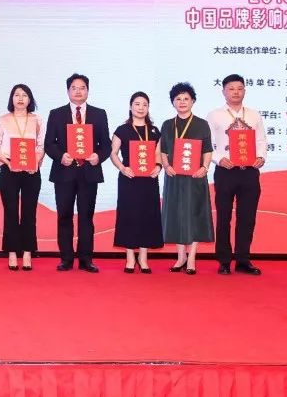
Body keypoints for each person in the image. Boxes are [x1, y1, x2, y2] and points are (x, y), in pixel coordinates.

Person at [44, 73, 111, 273]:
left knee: (86, 217)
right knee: (64, 215)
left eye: (82, 88)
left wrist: (98, 156)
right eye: (74, 88)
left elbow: (106, 145)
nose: (78, 91)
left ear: (88, 90)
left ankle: (86, 259)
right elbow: (49, 143)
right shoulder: (56, 114)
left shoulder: (99, 114)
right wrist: (60, 156)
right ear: (68, 91)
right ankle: (66, 258)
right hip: (64, 172)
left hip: (89, 172)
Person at [207, 74, 266, 276]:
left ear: (245, 91)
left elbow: (261, 140)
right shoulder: (214, 115)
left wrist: (261, 157)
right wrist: (218, 159)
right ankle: (224, 261)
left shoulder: (254, 115)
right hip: (226, 171)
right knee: (223, 217)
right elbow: (208, 144)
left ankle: (243, 260)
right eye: (231, 89)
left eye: (240, 88)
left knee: (247, 218)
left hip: (249, 172)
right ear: (223, 91)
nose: (236, 92)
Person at [160, 82, 214, 275]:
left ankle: (191, 258)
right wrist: (166, 166)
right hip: (174, 177)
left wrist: (204, 168)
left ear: (193, 101)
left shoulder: (202, 124)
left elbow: (207, 149)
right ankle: (181, 257)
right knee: (176, 215)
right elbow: (163, 150)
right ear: (173, 102)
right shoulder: (167, 125)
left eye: (186, 99)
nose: (182, 102)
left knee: (195, 214)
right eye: (178, 99)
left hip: (195, 177)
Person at [0, 84, 44, 271]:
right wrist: (7, 162)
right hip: (9, 169)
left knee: (29, 213)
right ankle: (12, 252)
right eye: (16, 95)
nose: (20, 98)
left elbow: (41, 146)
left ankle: (27, 252)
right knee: (11, 212)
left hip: (31, 171)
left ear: (30, 99)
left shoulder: (37, 120)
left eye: (24, 95)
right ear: (11, 99)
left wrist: (35, 163)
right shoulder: (3, 119)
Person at [110, 91, 163, 273]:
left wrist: (158, 166)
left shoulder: (154, 131)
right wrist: (123, 168)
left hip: (149, 180)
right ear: (130, 106)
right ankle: (130, 257)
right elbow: (113, 153)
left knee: (148, 216)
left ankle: (143, 257)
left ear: (148, 108)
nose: (141, 108)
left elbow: (158, 153)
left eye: (144, 105)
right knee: (129, 216)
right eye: (137, 104)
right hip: (129, 179)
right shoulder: (122, 130)